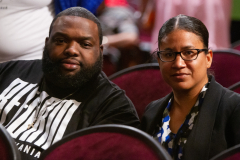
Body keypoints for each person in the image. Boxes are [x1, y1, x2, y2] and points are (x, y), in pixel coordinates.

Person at [0, 7, 139, 160]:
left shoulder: (114, 108)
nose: (71, 50)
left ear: (99, 51)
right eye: (61, 41)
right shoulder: (9, 71)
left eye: (85, 44)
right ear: (47, 43)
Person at [140, 14, 240, 160]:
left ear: (208, 58)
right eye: (168, 54)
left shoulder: (234, 108)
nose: (178, 64)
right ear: (159, 61)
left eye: (189, 53)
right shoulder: (152, 112)